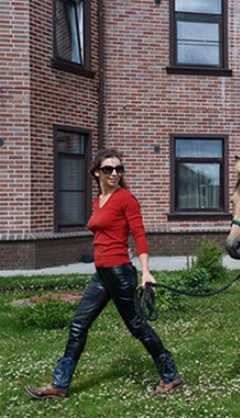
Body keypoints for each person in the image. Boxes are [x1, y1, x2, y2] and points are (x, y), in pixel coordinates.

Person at [26, 148, 183, 399]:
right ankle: (60, 384)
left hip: (120, 274)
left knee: (137, 327)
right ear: (97, 172)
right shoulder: (98, 201)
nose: (114, 173)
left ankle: (170, 376)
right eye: (108, 169)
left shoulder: (126, 199)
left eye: (119, 169)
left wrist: (145, 272)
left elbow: (139, 235)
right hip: (102, 274)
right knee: (78, 325)